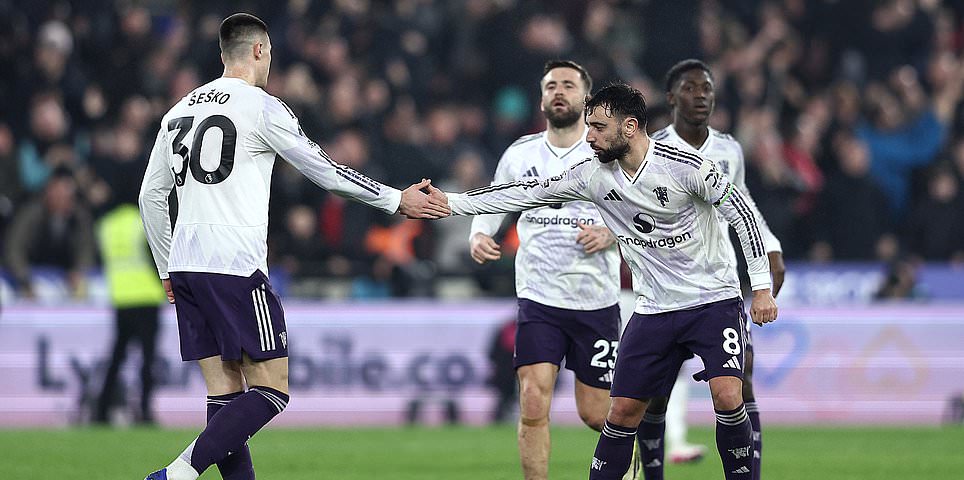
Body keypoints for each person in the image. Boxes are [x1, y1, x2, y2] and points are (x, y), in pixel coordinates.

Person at [138, 13, 449, 480]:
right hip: (234, 265)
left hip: (185, 263)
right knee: (271, 390)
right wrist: (394, 199)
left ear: (223, 55)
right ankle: (177, 474)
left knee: (225, 399)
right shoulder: (263, 108)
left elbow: (150, 196)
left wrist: (166, 268)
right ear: (261, 51)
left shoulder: (178, 110)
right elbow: (325, 170)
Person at [437, 82, 778, 480]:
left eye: (598, 127)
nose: (590, 137)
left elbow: (744, 216)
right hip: (653, 307)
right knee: (620, 412)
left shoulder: (687, 167)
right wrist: (451, 203)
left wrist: (761, 288)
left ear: (630, 127)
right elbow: (522, 193)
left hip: (712, 300)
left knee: (727, 394)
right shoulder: (592, 174)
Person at [468, 60, 622, 480]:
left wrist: (611, 232)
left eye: (568, 85)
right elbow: (492, 201)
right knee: (533, 402)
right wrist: (479, 234)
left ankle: (630, 466)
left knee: (597, 414)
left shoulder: (607, 156)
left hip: (595, 299)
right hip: (539, 298)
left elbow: (643, 213)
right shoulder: (520, 154)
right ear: (541, 98)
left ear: (586, 100)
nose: (559, 91)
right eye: (551, 85)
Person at [642, 59, 787, 480]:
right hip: (665, 285)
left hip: (718, 284)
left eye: (706, 88)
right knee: (653, 394)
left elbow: (742, 207)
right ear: (671, 98)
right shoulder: (649, 150)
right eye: (690, 88)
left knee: (740, 380)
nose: (701, 95)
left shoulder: (728, 150)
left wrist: (771, 248)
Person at [94, 199, 168, 425]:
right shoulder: (143, 220)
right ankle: (144, 410)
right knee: (147, 358)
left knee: (117, 357)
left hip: (121, 298)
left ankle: (101, 409)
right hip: (147, 297)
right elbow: (156, 256)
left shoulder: (106, 225)